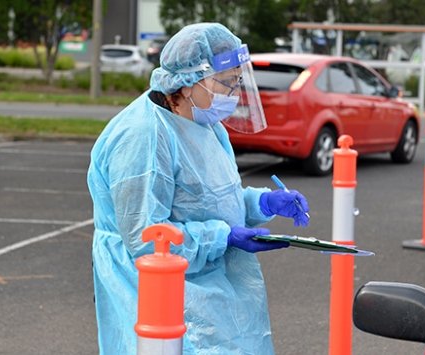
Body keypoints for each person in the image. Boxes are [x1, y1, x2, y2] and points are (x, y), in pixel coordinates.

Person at [87, 23, 311, 354]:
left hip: (209, 284)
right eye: (226, 82)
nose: (233, 94)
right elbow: (147, 239)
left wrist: (263, 203)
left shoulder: (202, 122)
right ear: (190, 80)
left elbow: (210, 200)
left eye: (237, 81)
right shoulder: (143, 137)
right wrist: (223, 237)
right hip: (159, 292)